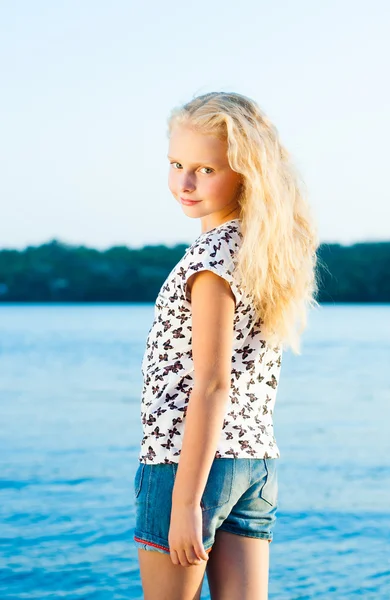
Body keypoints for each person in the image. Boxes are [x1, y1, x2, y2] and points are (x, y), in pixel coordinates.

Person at [133, 91, 319, 600]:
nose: (184, 183)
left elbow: (212, 385)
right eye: (177, 164)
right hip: (253, 462)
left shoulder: (210, 259)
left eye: (206, 170)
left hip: (186, 465)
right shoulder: (262, 251)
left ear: (245, 173)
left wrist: (186, 503)